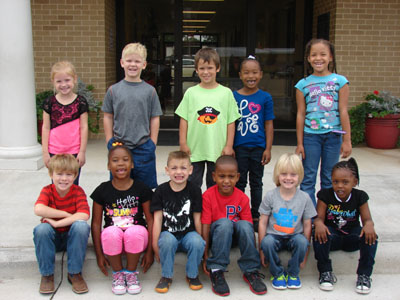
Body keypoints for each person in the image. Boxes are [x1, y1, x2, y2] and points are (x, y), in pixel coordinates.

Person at [90, 142, 154, 295]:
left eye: (125, 159)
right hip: (113, 241)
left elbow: (151, 221)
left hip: (137, 240)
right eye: (115, 160)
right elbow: (96, 224)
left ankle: (131, 274)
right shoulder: (102, 190)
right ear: (108, 166)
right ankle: (118, 274)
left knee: (134, 231)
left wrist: (150, 252)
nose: (120, 163)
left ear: (132, 165)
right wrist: (99, 255)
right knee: (110, 232)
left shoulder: (142, 189)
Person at [295, 38, 352, 206]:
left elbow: (343, 111)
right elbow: (300, 114)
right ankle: (310, 217)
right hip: (310, 136)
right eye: (314, 55)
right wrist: (299, 142)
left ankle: (326, 215)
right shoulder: (302, 84)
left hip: (333, 136)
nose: (318, 58)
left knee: (329, 177)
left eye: (323, 54)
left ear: (331, 57)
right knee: (308, 178)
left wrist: (347, 140)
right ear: (308, 58)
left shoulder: (340, 81)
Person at [175, 47, 241, 189]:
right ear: (196, 70)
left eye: (210, 68)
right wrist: (183, 143)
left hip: (217, 149)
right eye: (202, 68)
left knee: (215, 185)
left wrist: (229, 145)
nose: (206, 72)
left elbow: (231, 121)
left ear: (218, 68)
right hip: (194, 149)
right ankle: (194, 210)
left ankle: (212, 211)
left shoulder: (226, 93)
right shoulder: (191, 93)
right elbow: (184, 120)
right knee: (192, 184)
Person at [201, 155, 267, 296]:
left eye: (231, 177)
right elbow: (205, 225)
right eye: (221, 176)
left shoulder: (242, 198)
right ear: (214, 176)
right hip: (217, 238)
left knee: (243, 225)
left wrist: (255, 253)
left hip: (235, 238)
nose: (226, 181)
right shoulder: (207, 196)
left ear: (237, 177)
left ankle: (251, 270)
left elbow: (248, 228)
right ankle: (217, 270)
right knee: (225, 223)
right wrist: (205, 254)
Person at [102, 42, 163, 189]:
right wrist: (109, 140)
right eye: (129, 61)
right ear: (122, 63)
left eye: (137, 61)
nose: (133, 65)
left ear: (144, 64)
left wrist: (152, 142)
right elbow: (108, 116)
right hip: (119, 145)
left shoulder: (150, 91)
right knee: (119, 185)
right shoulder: (113, 90)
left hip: (143, 146)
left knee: (145, 188)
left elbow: (155, 117)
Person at [313, 158, 377, 294]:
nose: (340, 186)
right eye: (336, 182)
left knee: (371, 236)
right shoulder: (325, 195)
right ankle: (325, 272)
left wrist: (369, 225)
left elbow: (367, 219)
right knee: (318, 232)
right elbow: (319, 218)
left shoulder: (360, 196)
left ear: (355, 182)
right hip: (332, 237)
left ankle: (364, 275)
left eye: (345, 182)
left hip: (351, 237)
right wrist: (318, 223)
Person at [33, 154, 90, 294]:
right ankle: (47, 275)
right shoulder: (47, 190)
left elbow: (84, 214)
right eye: (59, 174)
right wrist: (66, 214)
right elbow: (38, 209)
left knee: (81, 226)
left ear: (75, 175)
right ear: (51, 174)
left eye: (69, 174)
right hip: (53, 240)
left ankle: (74, 273)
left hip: (73, 238)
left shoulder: (78, 191)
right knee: (42, 229)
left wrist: (58, 223)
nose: (64, 178)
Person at [258, 153, 316, 290]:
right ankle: (277, 273)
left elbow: (308, 225)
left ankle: (293, 273)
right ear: (277, 175)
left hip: (294, 236)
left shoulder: (305, 198)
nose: (288, 178)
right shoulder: (271, 195)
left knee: (302, 241)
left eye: (293, 174)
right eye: (284, 174)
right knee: (267, 242)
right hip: (274, 236)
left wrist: (306, 253)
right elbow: (262, 222)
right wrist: (260, 249)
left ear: (299, 176)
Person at [151, 151, 205, 293]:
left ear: (191, 170)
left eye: (183, 168)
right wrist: (154, 245)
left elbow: (197, 217)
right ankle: (166, 276)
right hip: (168, 234)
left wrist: (202, 241)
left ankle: (192, 275)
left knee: (197, 242)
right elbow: (157, 219)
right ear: (167, 170)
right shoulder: (160, 191)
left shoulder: (195, 190)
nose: (179, 172)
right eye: (174, 168)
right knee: (167, 241)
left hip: (188, 234)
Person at [233, 55, 274, 231]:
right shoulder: (233, 96)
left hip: (258, 148)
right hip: (239, 148)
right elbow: (230, 124)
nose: (251, 76)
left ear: (261, 74)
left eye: (255, 72)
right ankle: (240, 213)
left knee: (256, 182)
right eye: (247, 72)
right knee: (240, 183)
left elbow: (268, 124)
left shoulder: (265, 98)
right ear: (240, 75)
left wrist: (268, 148)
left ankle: (256, 215)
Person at [41, 61, 88, 185]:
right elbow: (46, 127)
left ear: (75, 79)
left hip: (74, 151)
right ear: (53, 82)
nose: (63, 85)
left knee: (73, 183)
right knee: (57, 184)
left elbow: (84, 127)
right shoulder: (49, 102)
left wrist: (82, 151)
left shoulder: (80, 102)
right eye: (59, 81)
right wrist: (45, 153)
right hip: (55, 151)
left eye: (67, 80)